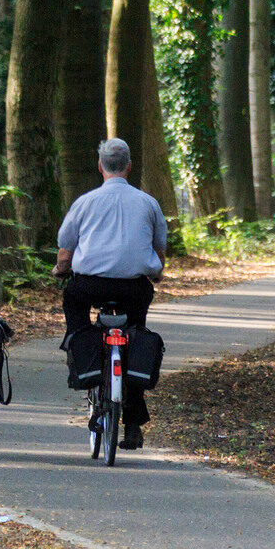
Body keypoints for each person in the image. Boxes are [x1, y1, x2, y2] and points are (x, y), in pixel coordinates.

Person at [54, 137, 167, 450]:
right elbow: (159, 252)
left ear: (99, 166)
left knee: (75, 311)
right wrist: (155, 270)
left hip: (90, 284)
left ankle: (85, 363)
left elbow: (65, 252)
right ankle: (132, 423)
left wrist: (61, 269)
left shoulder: (85, 202)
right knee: (135, 336)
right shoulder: (148, 203)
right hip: (134, 288)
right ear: (129, 166)